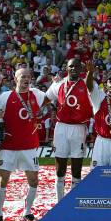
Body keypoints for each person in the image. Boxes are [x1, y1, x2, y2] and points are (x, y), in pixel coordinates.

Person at [0, 68, 46, 221]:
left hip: (29, 146)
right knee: (3, 180)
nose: (26, 79)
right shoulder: (6, 96)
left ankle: (27, 212)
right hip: (9, 146)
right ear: (16, 79)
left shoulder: (36, 94)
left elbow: (51, 98)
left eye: (29, 77)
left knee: (34, 180)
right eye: (23, 77)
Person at [45, 58, 95, 201]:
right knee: (60, 167)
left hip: (79, 128)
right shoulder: (59, 84)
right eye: (71, 66)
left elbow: (91, 88)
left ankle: (73, 200)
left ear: (81, 69)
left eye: (76, 66)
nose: (73, 69)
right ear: (66, 68)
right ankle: (59, 201)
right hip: (61, 127)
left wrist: (90, 72)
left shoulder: (86, 83)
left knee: (76, 167)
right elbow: (46, 98)